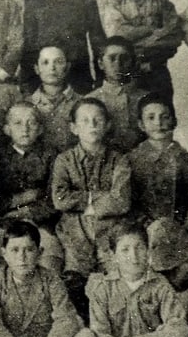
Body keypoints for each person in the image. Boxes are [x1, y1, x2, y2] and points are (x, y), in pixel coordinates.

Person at [76, 223, 188, 337]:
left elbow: (180, 328)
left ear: (148, 251)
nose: (134, 256)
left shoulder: (160, 285)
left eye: (139, 248)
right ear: (114, 256)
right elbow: (99, 334)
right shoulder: (102, 288)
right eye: (125, 250)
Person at [50, 98, 131, 308]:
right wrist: (97, 198)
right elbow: (59, 200)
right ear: (74, 128)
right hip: (74, 230)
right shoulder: (64, 160)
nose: (92, 125)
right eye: (85, 121)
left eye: (98, 120)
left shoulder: (118, 160)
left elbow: (121, 200)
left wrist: (82, 203)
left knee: (116, 278)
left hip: (109, 228)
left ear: (108, 125)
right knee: (75, 279)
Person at [126, 93, 188, 290]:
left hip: (179, 231)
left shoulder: (187, 160)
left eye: (165, 116)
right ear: (141, 125)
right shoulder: (131, 161)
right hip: (144, 231)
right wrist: (146, 224)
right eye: (150, 118)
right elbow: (128, 202)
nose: (158, 123)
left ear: (174, 121)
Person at [20, 0, 106, 94]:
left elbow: (98, 44)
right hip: (45, 82)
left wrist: (101, 83)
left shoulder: (86, 2)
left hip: (78, 79)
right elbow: (28, 50)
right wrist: (27, 87)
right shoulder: (34, 5)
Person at [0, 101, 64, 273]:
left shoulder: (51, 155)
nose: (25, 128)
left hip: (41, 224)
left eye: (31, 122)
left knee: (50, 262)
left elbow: (54, 198)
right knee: (2, 267)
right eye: (18, 123)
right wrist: (23, 199)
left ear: (40, 129)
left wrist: (27, 213)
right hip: (3, 224)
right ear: (7, 129)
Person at [101, 0, 184, 99]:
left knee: (160, 114)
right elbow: (119, 35)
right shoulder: (113, 4)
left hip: (156, 71)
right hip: (124, 71)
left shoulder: (164, 4)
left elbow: (173, 37)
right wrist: (154, 30)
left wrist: (139, 40)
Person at [85, 37, 147, 152]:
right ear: (101, 63)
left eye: (124, 58)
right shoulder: (90, 100)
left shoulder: (145, 99)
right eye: (112, 58)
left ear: (133, 63)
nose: (118, 63)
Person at [26, 45, 80, 154]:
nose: (52, 68)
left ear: (67, 67)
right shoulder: (27, 103)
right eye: (45, 62)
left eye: (58, 62)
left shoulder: (81, 103)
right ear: (37, 68)